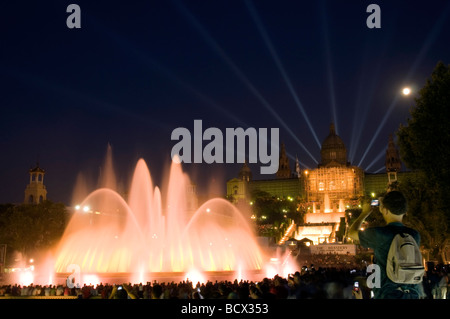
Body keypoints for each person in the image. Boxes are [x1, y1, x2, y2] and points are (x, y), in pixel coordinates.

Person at [348, 190, 422, 299]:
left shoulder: (379, 234)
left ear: (385, 210)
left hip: (387, 293)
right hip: (412, 294)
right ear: (405, 211)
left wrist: (364, 213)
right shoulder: (415, 235)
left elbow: (351, 233)